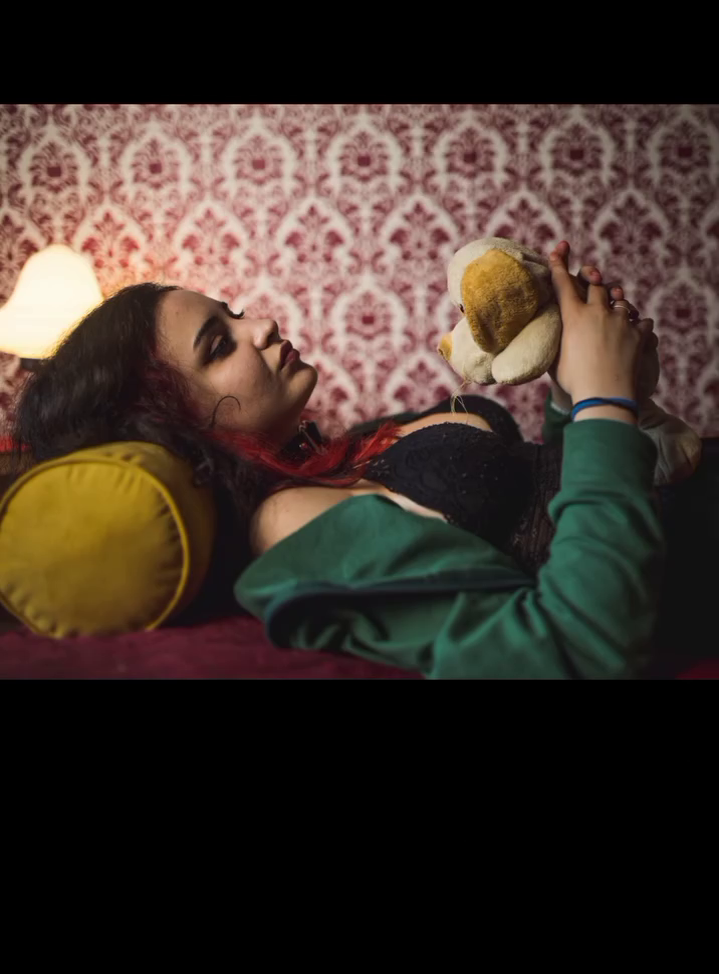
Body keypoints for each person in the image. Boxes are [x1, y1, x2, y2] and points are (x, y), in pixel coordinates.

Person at [6, 242, 716, 675]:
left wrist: (575, 384)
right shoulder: (288, 526)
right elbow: (577, 649)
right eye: (219, 345)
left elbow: (547, 509)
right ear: (175, 422)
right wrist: (600, 402)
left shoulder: (333, 459)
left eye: (234, 312)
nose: (263, 325)